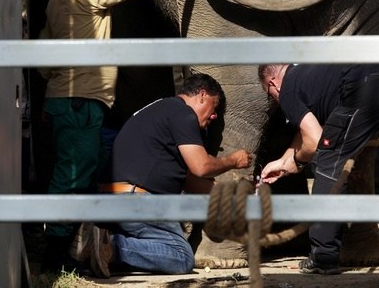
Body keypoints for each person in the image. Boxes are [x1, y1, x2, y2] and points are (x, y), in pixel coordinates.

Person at [39, 0, 201, 272]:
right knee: (72, 176)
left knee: (90, 170)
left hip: (67, 102)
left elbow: (44, 62)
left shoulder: (56, 1)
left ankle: (80, 245)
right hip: (79, 102)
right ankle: (55, 258)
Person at [75, 73, 252, 278]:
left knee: (153, 248)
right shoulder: (183, 114)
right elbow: (201, 166)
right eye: (214, 108)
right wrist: (233, 160)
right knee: (181, 256)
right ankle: (112, 247)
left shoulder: (160, 112)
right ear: (202, 95)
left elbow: (187, 179)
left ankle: (99, 242)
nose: (213, 116)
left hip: (113, 200)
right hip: (137, 201)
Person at [257, 63, 379, 275]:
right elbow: (306, 132)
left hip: (366, 83)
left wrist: (297, 162)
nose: (275, 101)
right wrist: (284, 161)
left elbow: (315, 139)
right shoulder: (312, 74)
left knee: (328, 162)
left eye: (270, 95)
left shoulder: (287, 89)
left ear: (273, 84)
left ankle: (323, 255)